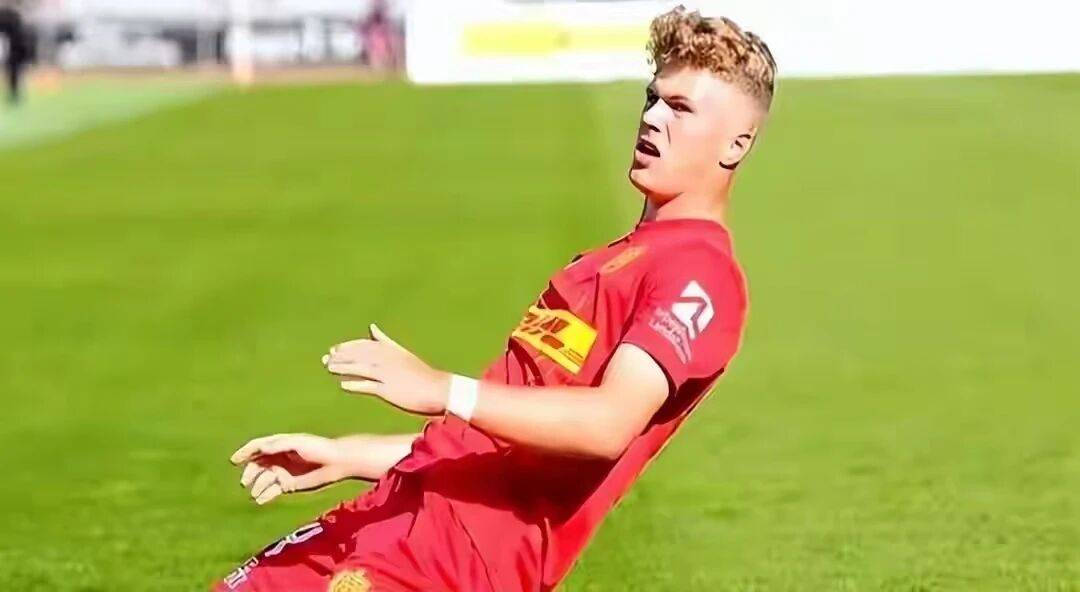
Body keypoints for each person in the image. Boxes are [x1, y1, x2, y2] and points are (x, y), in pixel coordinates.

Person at [217, 7, 777, 591]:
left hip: (456, 559)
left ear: (736, 143)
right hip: (397, 507)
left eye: (680, 108)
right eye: (652, 98)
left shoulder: (700, 274)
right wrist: (349, 455)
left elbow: (609, 423)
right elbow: (492, 446)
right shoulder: (605, 260)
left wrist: (443, 388)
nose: (652, 118)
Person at [0, 4, 29, 105]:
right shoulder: (13, 16)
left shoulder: (9, 16)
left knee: (14, 73)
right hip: (15, 49)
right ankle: (15, 94)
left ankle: (15, 94)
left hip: (15, 50)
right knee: (14, 73)